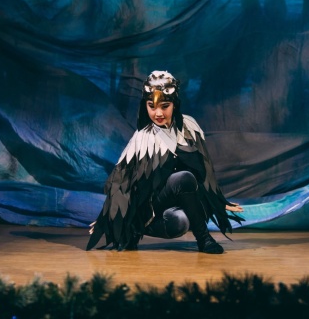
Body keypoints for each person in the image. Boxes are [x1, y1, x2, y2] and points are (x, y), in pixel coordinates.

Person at [87, 70, 244, 253]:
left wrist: (217, 200)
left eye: (165, 106)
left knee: (181, 222)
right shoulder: (142, 138)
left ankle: (143, 228)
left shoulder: (190, 128)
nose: (158, 113)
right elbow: (121, 184)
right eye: (151, 106)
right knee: (184, 178)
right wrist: (108, 217)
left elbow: (205, 172)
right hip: (149, 208)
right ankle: (203, 239)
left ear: (174, 104)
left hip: (173, 209)